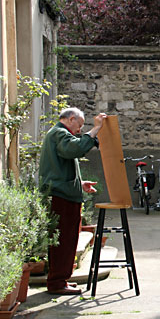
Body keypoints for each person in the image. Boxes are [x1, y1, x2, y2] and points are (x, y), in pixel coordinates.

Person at [39, 107, 107, 295]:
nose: (80, 129)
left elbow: (61, 165)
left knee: (66, 239)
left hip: (63, 193)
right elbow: (74, 149)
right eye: (80, 125)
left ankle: (60, 280)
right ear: (70, 119)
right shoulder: (59, 133)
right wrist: (94, 130)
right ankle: (58, 283)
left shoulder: (57, 134)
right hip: (62, 196)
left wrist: (80, 183)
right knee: (64, 239)